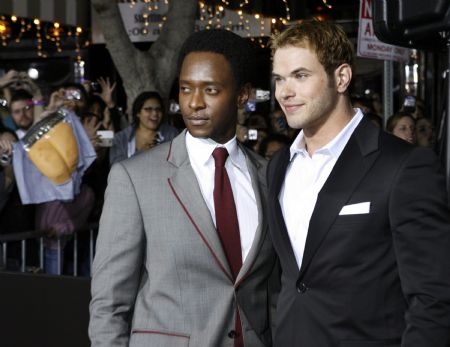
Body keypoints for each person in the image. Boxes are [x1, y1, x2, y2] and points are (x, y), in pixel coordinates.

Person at [89, 29, 278, 347]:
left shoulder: (269, 176)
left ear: (242, 94)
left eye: (211, 90)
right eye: (186, 88)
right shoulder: (134, 178)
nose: (194, 103)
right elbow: (109, 302)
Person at [267, 20, 450, 346]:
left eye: (300, 76)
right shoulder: (278, 166)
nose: (284, 91)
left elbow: (434, 298)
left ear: (341, 77)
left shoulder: (403, 166)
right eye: (279, 79)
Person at [109, 91, 178, 165]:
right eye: (148, 109)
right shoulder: (121, 138)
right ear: (138, 113)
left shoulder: (171, 135)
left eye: (158, 109)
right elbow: (116, 169)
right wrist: (142, 153)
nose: (155, 113)